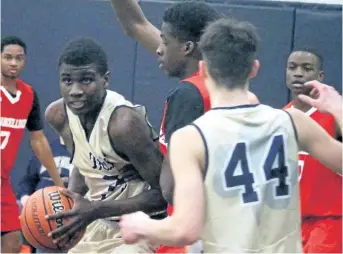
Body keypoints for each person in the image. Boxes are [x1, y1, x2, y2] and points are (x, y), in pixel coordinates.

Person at [119, 18, 342, 253]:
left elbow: (185, 229)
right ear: (254, 69)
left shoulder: (191, 138)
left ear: (203, 69)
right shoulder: (292, 121)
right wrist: (338, 108)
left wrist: (141, 225)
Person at [110, 2, 258, 252]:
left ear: (188, 47)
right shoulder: (228, 86)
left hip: (195, 233)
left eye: (165, 41)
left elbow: (170, 188)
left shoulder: (188, 95)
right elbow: (136, 25)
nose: (158, 48)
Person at [45, 37, 167, 253]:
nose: (75, 90)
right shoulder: (58, 115)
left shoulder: (123, 124)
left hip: (142, 226)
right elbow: (85, 167)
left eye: (86, 80)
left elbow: (164, 195)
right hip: (98, 222)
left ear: (106, 80)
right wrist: (70, 209)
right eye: (67, 80)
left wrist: (95, 209)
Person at [1, 36, 64, 253]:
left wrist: (59, 183)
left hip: (2, 181)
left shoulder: (28, 95)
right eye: (7, 57)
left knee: (13, 239)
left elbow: (38, 140)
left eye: (19, 58)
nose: (13, 63)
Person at [284, 49, 342, 253]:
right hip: (289, 223)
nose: (298, 73)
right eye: (292, 67)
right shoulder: (281, 116)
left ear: (320, 77)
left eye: (306, 68)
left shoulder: (333, 114)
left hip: (327, 221)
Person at [18, 136, 73, 206]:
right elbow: (29, 180)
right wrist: (24, 196)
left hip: (66, 203)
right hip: (38, 203)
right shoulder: (45, 148)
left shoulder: (84, 151)